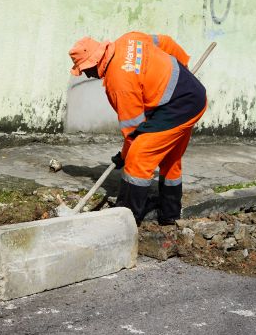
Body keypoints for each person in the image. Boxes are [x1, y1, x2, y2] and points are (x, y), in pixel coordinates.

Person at [68, 32, 206, 225]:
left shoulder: (118, 82)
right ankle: (169, 215)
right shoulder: (128, 39)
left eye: (84, 70)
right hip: (192, 94)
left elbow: (134, 132)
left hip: (178, 106)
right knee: (170, 158)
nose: (85, 74)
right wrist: (183, 67)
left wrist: (125, 156)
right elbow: (165, 42)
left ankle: (126, 219)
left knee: (138, 158)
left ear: (94, 63)